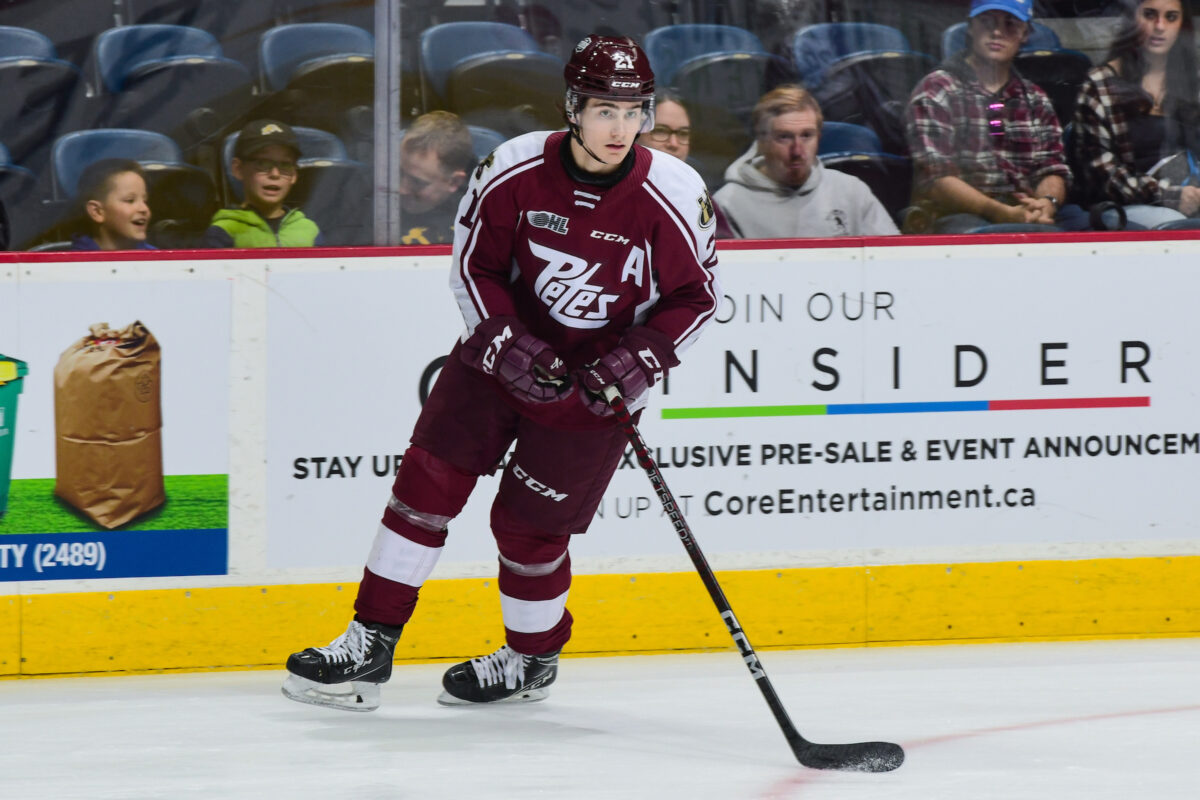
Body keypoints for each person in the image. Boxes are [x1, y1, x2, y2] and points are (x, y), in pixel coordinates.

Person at [281, 35, 720, 711]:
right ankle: (369, 642)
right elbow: (474, 268)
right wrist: (504, 344)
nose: (621, 129)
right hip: (495, 360)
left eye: (634, 112)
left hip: (590, 387)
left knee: (529, 530)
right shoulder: (512, 167)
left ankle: (530, 659)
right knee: (425, 486)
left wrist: (636, 363)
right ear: (573, 106)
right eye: (605, 110)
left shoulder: (674, 191)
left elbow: (697, 297)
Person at [905, 0, 1083, 233]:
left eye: (1010, 24)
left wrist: (1047, 203)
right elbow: (937, 180)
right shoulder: (937, 90)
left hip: (1025, 209)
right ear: (970, 27)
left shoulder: (1035, 98)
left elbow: (1052, 168)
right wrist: (1000, 212)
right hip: (960, 213)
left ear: (1025, 34)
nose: (997, 32)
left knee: (1100, 229)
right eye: (987, 21)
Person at [1071, 0, 1200, 229]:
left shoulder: (1194, 84)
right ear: (1132, 20)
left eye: (1171, 17)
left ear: (1182, 25)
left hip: (1193, 200)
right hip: (1126, 207)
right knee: (1174, 226)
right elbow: (1102, 175)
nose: (1160, 26)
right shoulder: (1100, 85)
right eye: (1150, 15)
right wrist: (1169, 196)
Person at [712, 85, 899, 238]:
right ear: (762, 141)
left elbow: (892, 261)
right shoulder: (728, 205)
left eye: (807, 136)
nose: (797, 151)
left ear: (819, 136)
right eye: (784, 137)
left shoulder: (851, 192)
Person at [202, 119, 325, 248]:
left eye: (285, 165)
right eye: (263, 163)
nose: (275, 174)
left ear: (294, 175)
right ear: (237, 169)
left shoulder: (310, 231)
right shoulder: (224, 231)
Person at [640, 91, 733, 238]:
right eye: (660, 131)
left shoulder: (698, 195)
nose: (674, 144)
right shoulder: (610, 193)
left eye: (683, 134)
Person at [398, 110, 476, 245]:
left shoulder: (479, 223)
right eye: (398, 173)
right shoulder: (362, 198)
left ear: (454, 182)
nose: (401, 189)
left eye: (417, 182)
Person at [69, 158, 156, 251]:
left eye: (145, 201)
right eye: (130, 200)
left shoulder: (158, 259)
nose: (144, 209)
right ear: (97, 211)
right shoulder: (75, 263)